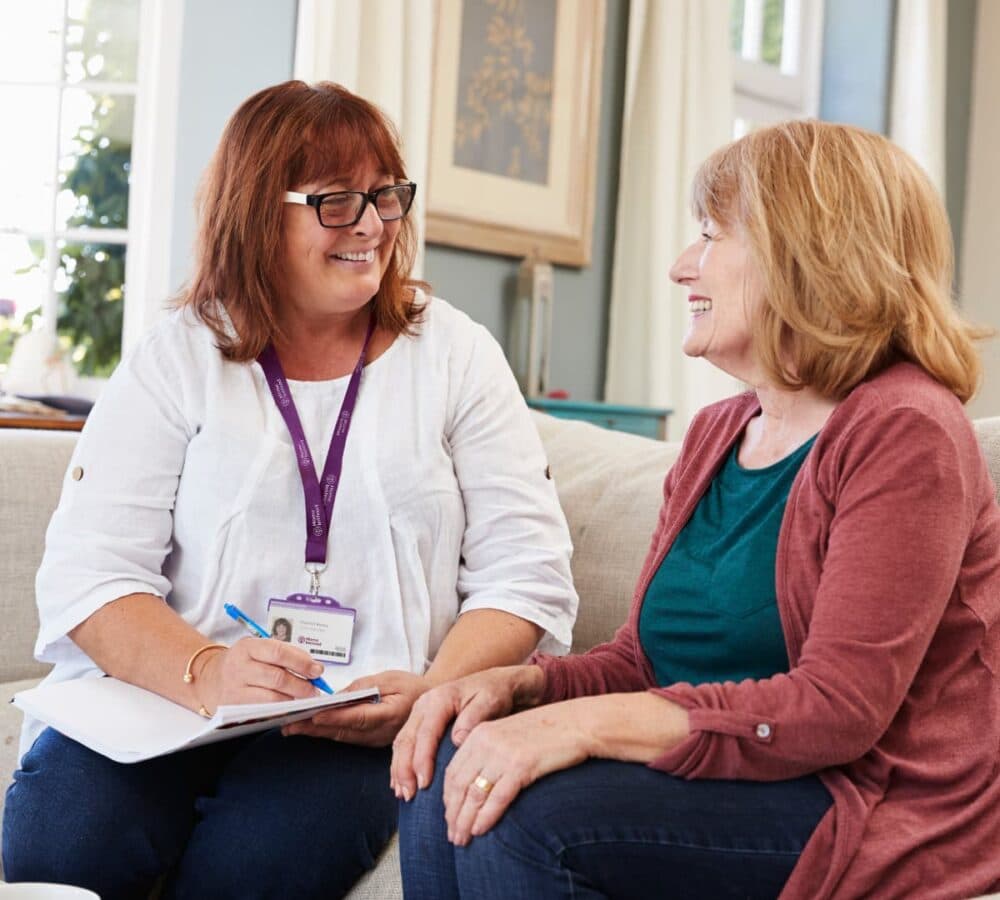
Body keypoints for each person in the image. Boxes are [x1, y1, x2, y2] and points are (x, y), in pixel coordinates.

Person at [392, 120, 1000, 900]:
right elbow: (643, 663)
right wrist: (523, 689)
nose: (683, 266)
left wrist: (579, 728)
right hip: (737, 779)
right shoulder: (719, 432)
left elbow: (838, 710)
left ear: (806, 255)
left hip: (859, 796)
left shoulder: (905, 430)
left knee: (522, 820)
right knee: (446, 763)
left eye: (711, 236)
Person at [2, 81, 577, 900]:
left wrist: (430, 692)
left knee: (253, 870)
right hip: (170, 701)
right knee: (61, 840)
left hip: (360, 728)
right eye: (338, 201)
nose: (374, 225)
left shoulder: (456, 355)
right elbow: (91, 577)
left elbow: (527, 574)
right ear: (254, 213)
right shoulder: (179, 357)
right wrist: (206, 671)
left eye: (385, 196)